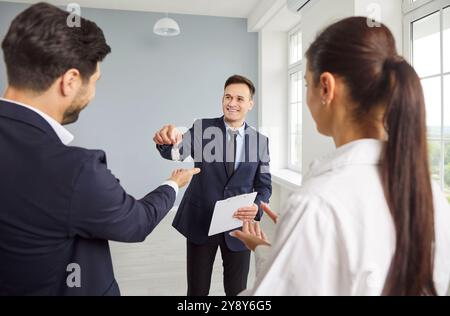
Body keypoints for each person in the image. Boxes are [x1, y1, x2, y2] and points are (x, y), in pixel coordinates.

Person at [233, 17, 450, 296]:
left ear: (326, 87)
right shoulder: (432, 196)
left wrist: (287, 241)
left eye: (306, 83)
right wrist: (289, 245)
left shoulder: (316, 205)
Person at [0, 2, 200, 296]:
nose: (92, 92)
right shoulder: (76, 170)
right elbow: (136, 223)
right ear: (69, 81)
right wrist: (173, 183)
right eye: (94, 81)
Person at [153, 75, 272, 296]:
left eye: (239, 98)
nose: (232, 103)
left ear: (250, 104)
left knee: (238, 292)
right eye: (228, 97)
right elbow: (177, 151)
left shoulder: (260, 142)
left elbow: (264, 185)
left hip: (238, 226)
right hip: (201, 222)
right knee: (197, 291)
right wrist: (165, 141)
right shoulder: (202, 129)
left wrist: (256, 207)